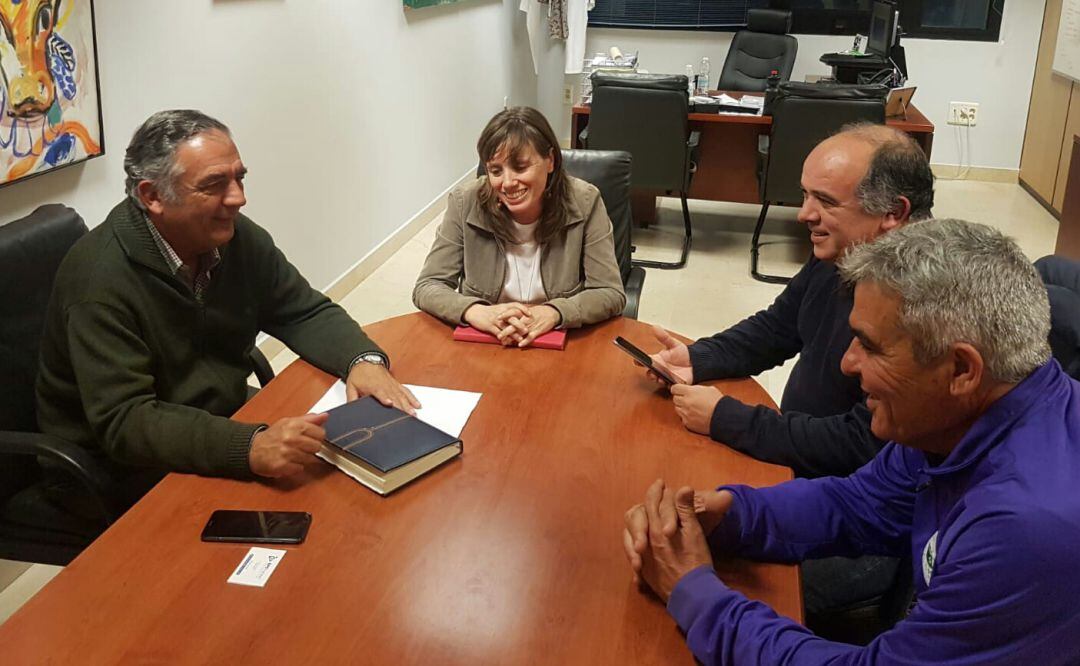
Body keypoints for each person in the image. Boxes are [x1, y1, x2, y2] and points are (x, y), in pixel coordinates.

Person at [622, 219, 1080, 664]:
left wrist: (695, 593)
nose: (846, 362)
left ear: (961, 370)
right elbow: (863, 502)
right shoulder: (955, 417)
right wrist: (736, 515)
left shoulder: (1027, 526)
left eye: (870, 345)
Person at [36, 110, 419, 506]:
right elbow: (126, 422)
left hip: (215, 421)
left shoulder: (232, 237)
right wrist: (249, 446)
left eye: (239, 177)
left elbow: (302, 310)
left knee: (351, 491)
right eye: (215, 184)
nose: (238, 198)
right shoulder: (99, 280)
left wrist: (363, 359)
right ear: (152, 196)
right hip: (117, 468)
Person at [649, 123, 934, 478]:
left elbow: (862, 442)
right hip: (794, 450)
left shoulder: (924, 304)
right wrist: (699, 357)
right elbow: (779, 327)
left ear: (893, 212)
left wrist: (728, 419)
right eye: (806, 195)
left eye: (826, 201)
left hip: (836, 489)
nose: (804, 215)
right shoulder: (846, 250)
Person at [413, 106, 625, 347]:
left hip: (559, 343)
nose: (508, 183)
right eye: (495, 170)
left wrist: (554, 312)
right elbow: (428, 286)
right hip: (487, 342)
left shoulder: (585, 201)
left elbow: (610, 292)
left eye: (520, 167)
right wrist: (475, 311)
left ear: (550, 161)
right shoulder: (464, 202)